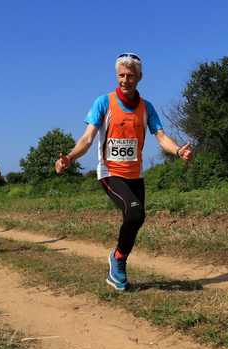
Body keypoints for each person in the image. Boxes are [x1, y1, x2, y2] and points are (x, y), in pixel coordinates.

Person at [55, 53, 193, 291]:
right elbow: (88, 138)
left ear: (139, 77)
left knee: (137, 218)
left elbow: (161, 137)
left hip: (135, 174)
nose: (125, 80)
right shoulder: (103, 102)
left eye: (130, 76)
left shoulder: (146, 107)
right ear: (116, 76)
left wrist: (179, 150)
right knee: (135, 214)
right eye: (121, 75)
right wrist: (69, 157)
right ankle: (118, 260)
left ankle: (119, 259)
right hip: (110, 172)